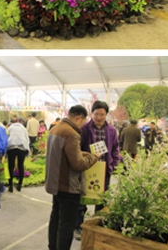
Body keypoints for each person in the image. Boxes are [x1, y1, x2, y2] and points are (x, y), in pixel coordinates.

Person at [46, 105, 98, 250]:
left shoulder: (56, 128)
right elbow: (78, 164)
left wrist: (81, 153)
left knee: (55, 219)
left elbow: (63, 155)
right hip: (68, 186)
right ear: (78, 117)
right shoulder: (71, 133)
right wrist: (94, 157)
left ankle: (52, 247)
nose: (82, 125)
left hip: (56, 183)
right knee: (67, 225)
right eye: (83, 122)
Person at [76, 101, 121, 240]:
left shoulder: (112, 130)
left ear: (106, 115)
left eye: (102, 114)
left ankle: (97, 227)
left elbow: (115, 148)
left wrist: (114, 164)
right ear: (92, 113)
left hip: (104, 170)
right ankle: (78, 227)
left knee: (101, 200)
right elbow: (78, 147)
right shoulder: (84, 128)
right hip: (87, 169)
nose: (99, 117)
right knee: (82, 198)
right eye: (96, 114)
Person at [6, 117, 29, 192]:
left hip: (11, 148)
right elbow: (27, 139)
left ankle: (10, 186)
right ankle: (19, 184)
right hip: (22, 148)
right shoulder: (24, 129)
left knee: (11, 166)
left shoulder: (10, 128)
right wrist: (27, 150)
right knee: (20, 165)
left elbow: (7, 137)